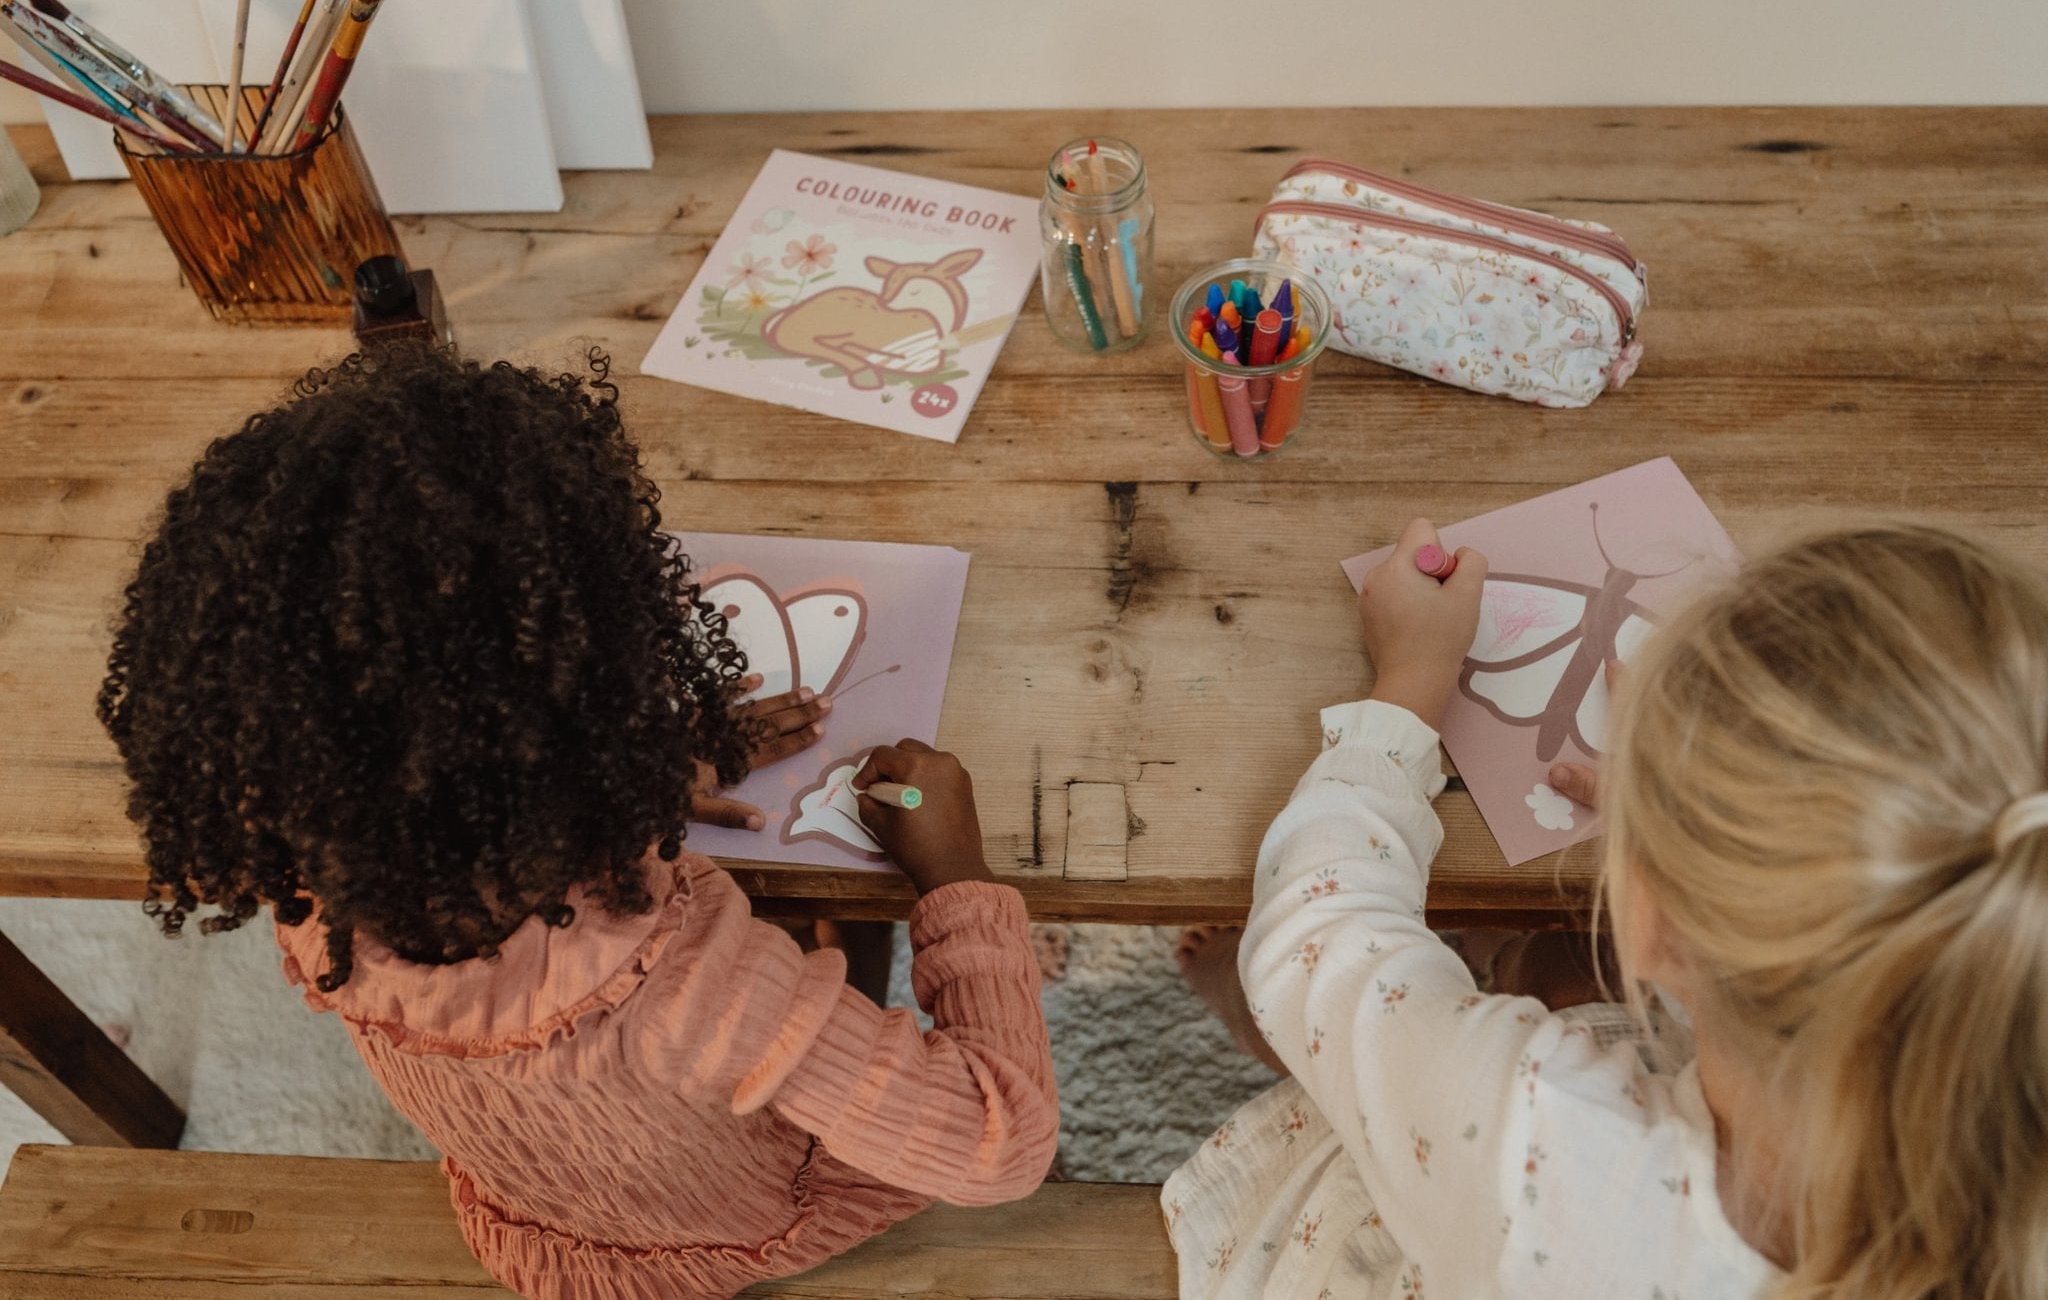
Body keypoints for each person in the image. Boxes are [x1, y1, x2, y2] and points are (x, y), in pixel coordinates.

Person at [97, 341, 1057, 1300]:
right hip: (728, 1227)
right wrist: (956, 880)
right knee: (853, 939)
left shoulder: (318, 884)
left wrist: (636, 778)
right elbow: (1000, 1142)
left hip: (539, 1211)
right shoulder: (701, 993)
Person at [1167, 516, 2048, 1298]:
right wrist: (1693, 822)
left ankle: (1282, 1028)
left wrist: (1412, 677)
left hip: (1467, 1220)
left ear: (1652, 927)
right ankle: (1491, 962)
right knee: (1558, 969)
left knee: (1350, 1026)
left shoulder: (1542, 1143)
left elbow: (1319, 930)